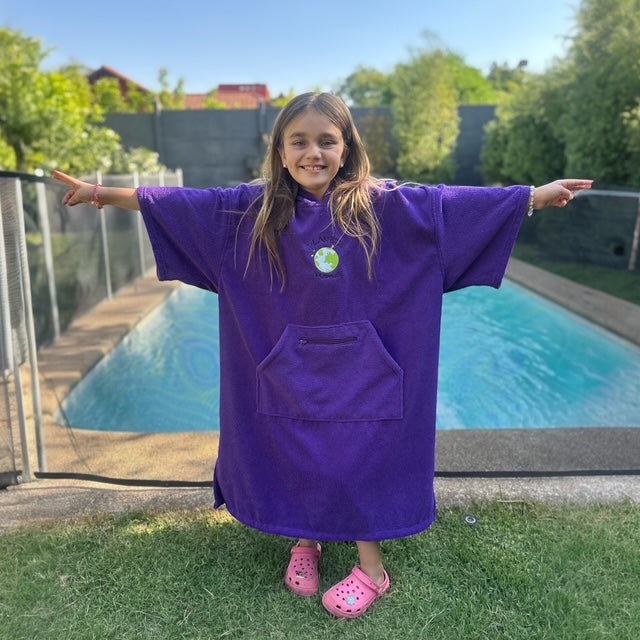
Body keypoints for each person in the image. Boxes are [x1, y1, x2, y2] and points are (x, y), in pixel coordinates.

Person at [54, 92, 592, 620]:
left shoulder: (389, 208)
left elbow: (453, 207)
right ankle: (305, 543)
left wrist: (532, 197)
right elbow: (181, 205)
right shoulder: (248, 214)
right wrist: (102, 193)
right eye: (299, 141)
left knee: (360, 458)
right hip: (287, 373)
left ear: (346, 147)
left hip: (367, 375)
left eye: (326, 141)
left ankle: (372, 571)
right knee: (295, 451)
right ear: (280, 151)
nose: (313, 153)